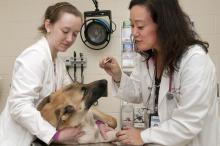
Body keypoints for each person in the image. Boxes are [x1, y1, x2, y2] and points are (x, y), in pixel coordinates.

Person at [99, 0, 220, 146]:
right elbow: (137, 92)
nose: (134, 32)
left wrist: (143, 136)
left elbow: (188, 123)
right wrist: (117, 75)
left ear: (164, 25)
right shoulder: (148, 57)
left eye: (140, 26)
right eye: (132, 25)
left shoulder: (194, 61)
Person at [0, 2, 85, 146]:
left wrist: (99, 122)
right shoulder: (34, 57)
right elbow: (19, 106)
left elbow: (72, 97)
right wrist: (55, 135)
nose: (70, 39)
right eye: (65, 31)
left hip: (37, 140)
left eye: (75, 34)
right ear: (48, 25)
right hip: (16, 141)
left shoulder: (58, 63)